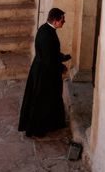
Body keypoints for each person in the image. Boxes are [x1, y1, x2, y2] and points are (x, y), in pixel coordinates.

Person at [18, 8, 71, 137]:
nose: (64, 22)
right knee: (41, 100)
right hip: (44, 73)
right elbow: (48, 59)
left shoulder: (46, 29)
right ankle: (37, 129)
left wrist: (62, 57)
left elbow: (50, 52)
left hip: (44, 70)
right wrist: (61, 67)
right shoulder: (47, 34)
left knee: (49, 99)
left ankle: (50, 124)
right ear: (55, 20)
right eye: (62, 20)